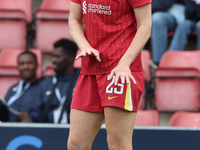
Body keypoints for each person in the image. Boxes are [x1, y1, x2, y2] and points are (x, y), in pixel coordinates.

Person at [68, 0, 152, 150]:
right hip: (90, 70)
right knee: (76, 144)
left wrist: (124, 63)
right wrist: (84, 46)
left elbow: (145, 26)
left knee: (117, 145)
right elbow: (74, 19)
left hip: (120, 72)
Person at [30, 39, 80, 123]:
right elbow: (37, 113)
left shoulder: (85, 81)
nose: (53, 61)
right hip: (47, 133)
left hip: (77, 132)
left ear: (71, 57)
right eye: (53, 56)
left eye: (57, 57)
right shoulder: (45, 84)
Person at [5, 51, 42, 122]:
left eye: (30, 63)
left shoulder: (43, 87)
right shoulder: (12, 89)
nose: (26, 67)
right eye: (22, 64)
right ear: (18, 67)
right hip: (10, 129)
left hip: (34, 130)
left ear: (37, 65)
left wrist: (31, 117)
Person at [151, 0, 185, 65]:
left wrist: (145, 7)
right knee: (156, 19)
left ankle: (169, 61)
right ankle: (159, 64)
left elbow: (164, 4)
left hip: (180, 14)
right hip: (160, 13)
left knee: (184, 24)